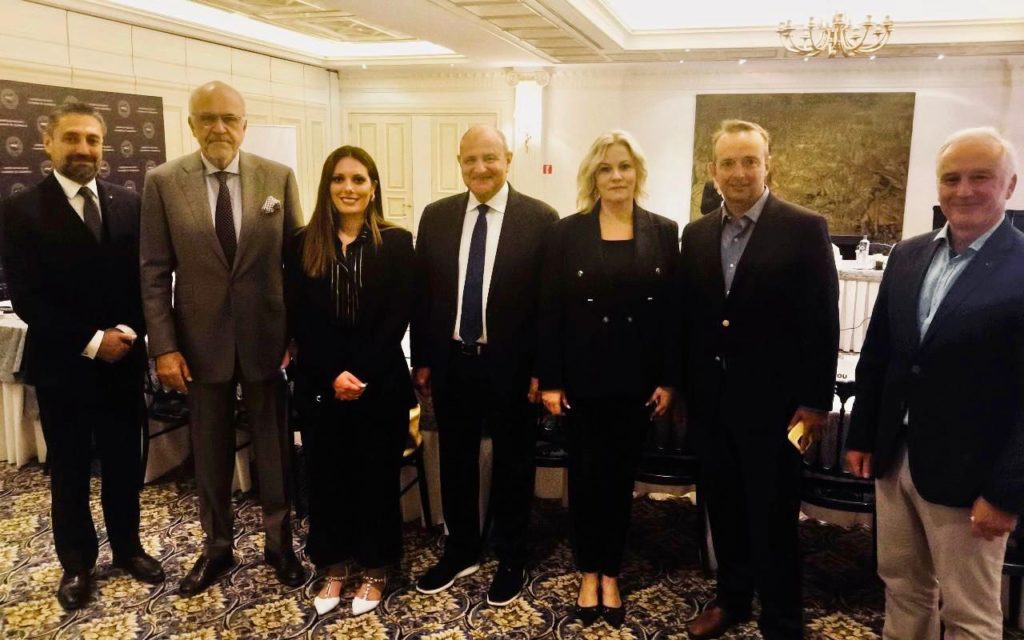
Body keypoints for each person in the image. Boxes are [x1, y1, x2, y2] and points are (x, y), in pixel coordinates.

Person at [846, 127, 1024, 640]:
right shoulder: (909, 254)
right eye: (951, 178)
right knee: (902, 586)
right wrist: (861, 436)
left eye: (980, 177)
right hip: (894, 458)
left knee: (969, 612)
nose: (964, 190)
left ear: (1008, 186)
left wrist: (1007, 493)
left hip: (972, 478)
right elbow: (879, 355)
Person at [140, 80, 305, 596]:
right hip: (198, 343)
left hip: (267, 340)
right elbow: (153, 270)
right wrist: (164, 346)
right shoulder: (164, 182)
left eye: (228, 119)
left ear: (244, 124)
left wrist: (295, 333)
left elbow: (295, 264)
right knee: (209, 453)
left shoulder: (277, 177)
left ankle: (280, 545)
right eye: (207, 118)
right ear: (190, 125)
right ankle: (216, 549)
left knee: (274, 449)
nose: (218, 128)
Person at [678, 119, 839, 639]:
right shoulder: (696, 233)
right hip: (712, 403)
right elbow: (692, 319)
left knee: (773, 518)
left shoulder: (804, 226)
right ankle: (731, 600)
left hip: (777, 409)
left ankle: (782, 617)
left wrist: (816, 402)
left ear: (769, 164)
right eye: (728, 162)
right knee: (723, 510)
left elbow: (823, 319)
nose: (740, 172)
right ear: (713, 170)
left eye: (750, 160)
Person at [0, 102, 164, 610]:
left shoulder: (127, 202)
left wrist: (129, 332)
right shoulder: (21, 209)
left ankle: (129, 548)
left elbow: (147, 280)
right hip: (64, 366)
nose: (83, 149)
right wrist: (94, 340)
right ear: (48, 143)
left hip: (124, 362)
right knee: (69, 470)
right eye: (72, 139)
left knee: (122, 464)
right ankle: (76, 564)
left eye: (92, 140)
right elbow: (28, 296)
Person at [411, 125, 558, 606]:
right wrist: (426, 358)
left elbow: (547, 303)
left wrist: (543, 370)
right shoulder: (435, 216)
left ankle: (512, 554)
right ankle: (461, 549)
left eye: (489, 158)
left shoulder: (540, 219)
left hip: (511, 366)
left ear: (508, 159)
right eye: (470, 159)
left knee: (515, 461)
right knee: (455, 459)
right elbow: (427, 294)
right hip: (454, 362)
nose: (480, 168)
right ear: (459, 162)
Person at [537, 130, 679, 627]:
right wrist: (550, 380)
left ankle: (612, 571)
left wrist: (668, 379)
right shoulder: (567, 232)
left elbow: (670, 316)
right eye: (605, 168)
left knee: (619, 481)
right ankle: (588, 571)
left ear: (637, 172)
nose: (616, 176)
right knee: (585, 477)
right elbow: (549, 310)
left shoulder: (664, 230)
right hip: (581, 382)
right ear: (592, 177)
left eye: (623, 167)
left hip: (636, 383)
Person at [285, 146, 416, 616]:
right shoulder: (302, 243)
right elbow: (301, 319)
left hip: (379, 384)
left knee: (375, 480)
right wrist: (332, 372)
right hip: (321, 385)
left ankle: (378, 567)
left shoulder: (397, 243)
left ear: (373, 187)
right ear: (327, 187)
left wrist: (358, 372)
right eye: (339, 179)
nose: (349, 188)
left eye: (359, 179)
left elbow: (396, 318)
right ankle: (335, 566)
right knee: (325, 479)